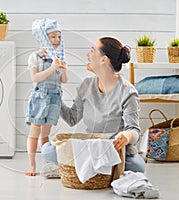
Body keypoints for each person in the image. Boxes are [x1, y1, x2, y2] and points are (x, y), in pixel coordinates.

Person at [40, 37, 146, 178]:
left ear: (104, 59)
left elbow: (134, 130)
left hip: (114, 149)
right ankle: (96, 170)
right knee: (47, 150)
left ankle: (75, 169)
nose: (88, 55)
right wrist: (54, 97)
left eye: (92, 51)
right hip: (90, 146)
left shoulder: (128, 92)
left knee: (137, 166)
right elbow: (72, 118)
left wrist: (126, 136)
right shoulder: (86, 85)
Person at [25, 18, 68, 176]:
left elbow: (64, 80)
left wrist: (63, 69)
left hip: (54, 98)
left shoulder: (59, 56)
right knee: (34, 133)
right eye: (53, 37)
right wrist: (52, 68)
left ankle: (47, 164)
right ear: (44, 37)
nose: (57, 40)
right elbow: (35, 77)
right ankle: (31, 164)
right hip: (40, 97)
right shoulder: (34, 56)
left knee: (45, 135)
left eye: (59, 37)